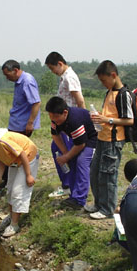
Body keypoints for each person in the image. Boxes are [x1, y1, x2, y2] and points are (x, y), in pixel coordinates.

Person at [87, 60, 133, 220]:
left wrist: (107, 120)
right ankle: (98, 204)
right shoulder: (110, 92)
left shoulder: (123, 94)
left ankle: (107, 209)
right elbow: (109, 114)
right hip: (102, 137)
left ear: (113, 75)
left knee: (108, 175)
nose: (103, 84)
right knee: (95, 172)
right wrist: (100, 117)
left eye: (103, 80)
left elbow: (129, 120)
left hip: (113, 141)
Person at [45, 51, 86, 199]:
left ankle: (70, 186)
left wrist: (83, 121)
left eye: (52, 68)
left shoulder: (70, 77)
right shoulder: (64, 78)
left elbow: (79, 100)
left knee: (67, 153)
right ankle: (67, 184)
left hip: (69, 123)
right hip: (61, 123)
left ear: (60, 64)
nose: (52, 72)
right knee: (58, 149)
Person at [45, 96, 96, 210]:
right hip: (78, 139)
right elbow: (55, 135)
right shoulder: (56, 120)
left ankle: (80, 200)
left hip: (92, 139)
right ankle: (73, 195)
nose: (54, 120)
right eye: (51, 116)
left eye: (56, 117)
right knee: (72, 162)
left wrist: (66, 156)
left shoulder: (74, 120)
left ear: (65, 112)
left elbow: (81, 144)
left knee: (81, 162)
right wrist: (65, 153)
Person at [2, 59, 41, 137]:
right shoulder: (19, 81)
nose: (7, 78)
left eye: (8, 75)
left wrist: (30, 123)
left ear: (15, 70)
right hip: (16, 123)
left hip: (23, 125)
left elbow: (36, 103)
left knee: (18, 148)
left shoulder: (27, 81)